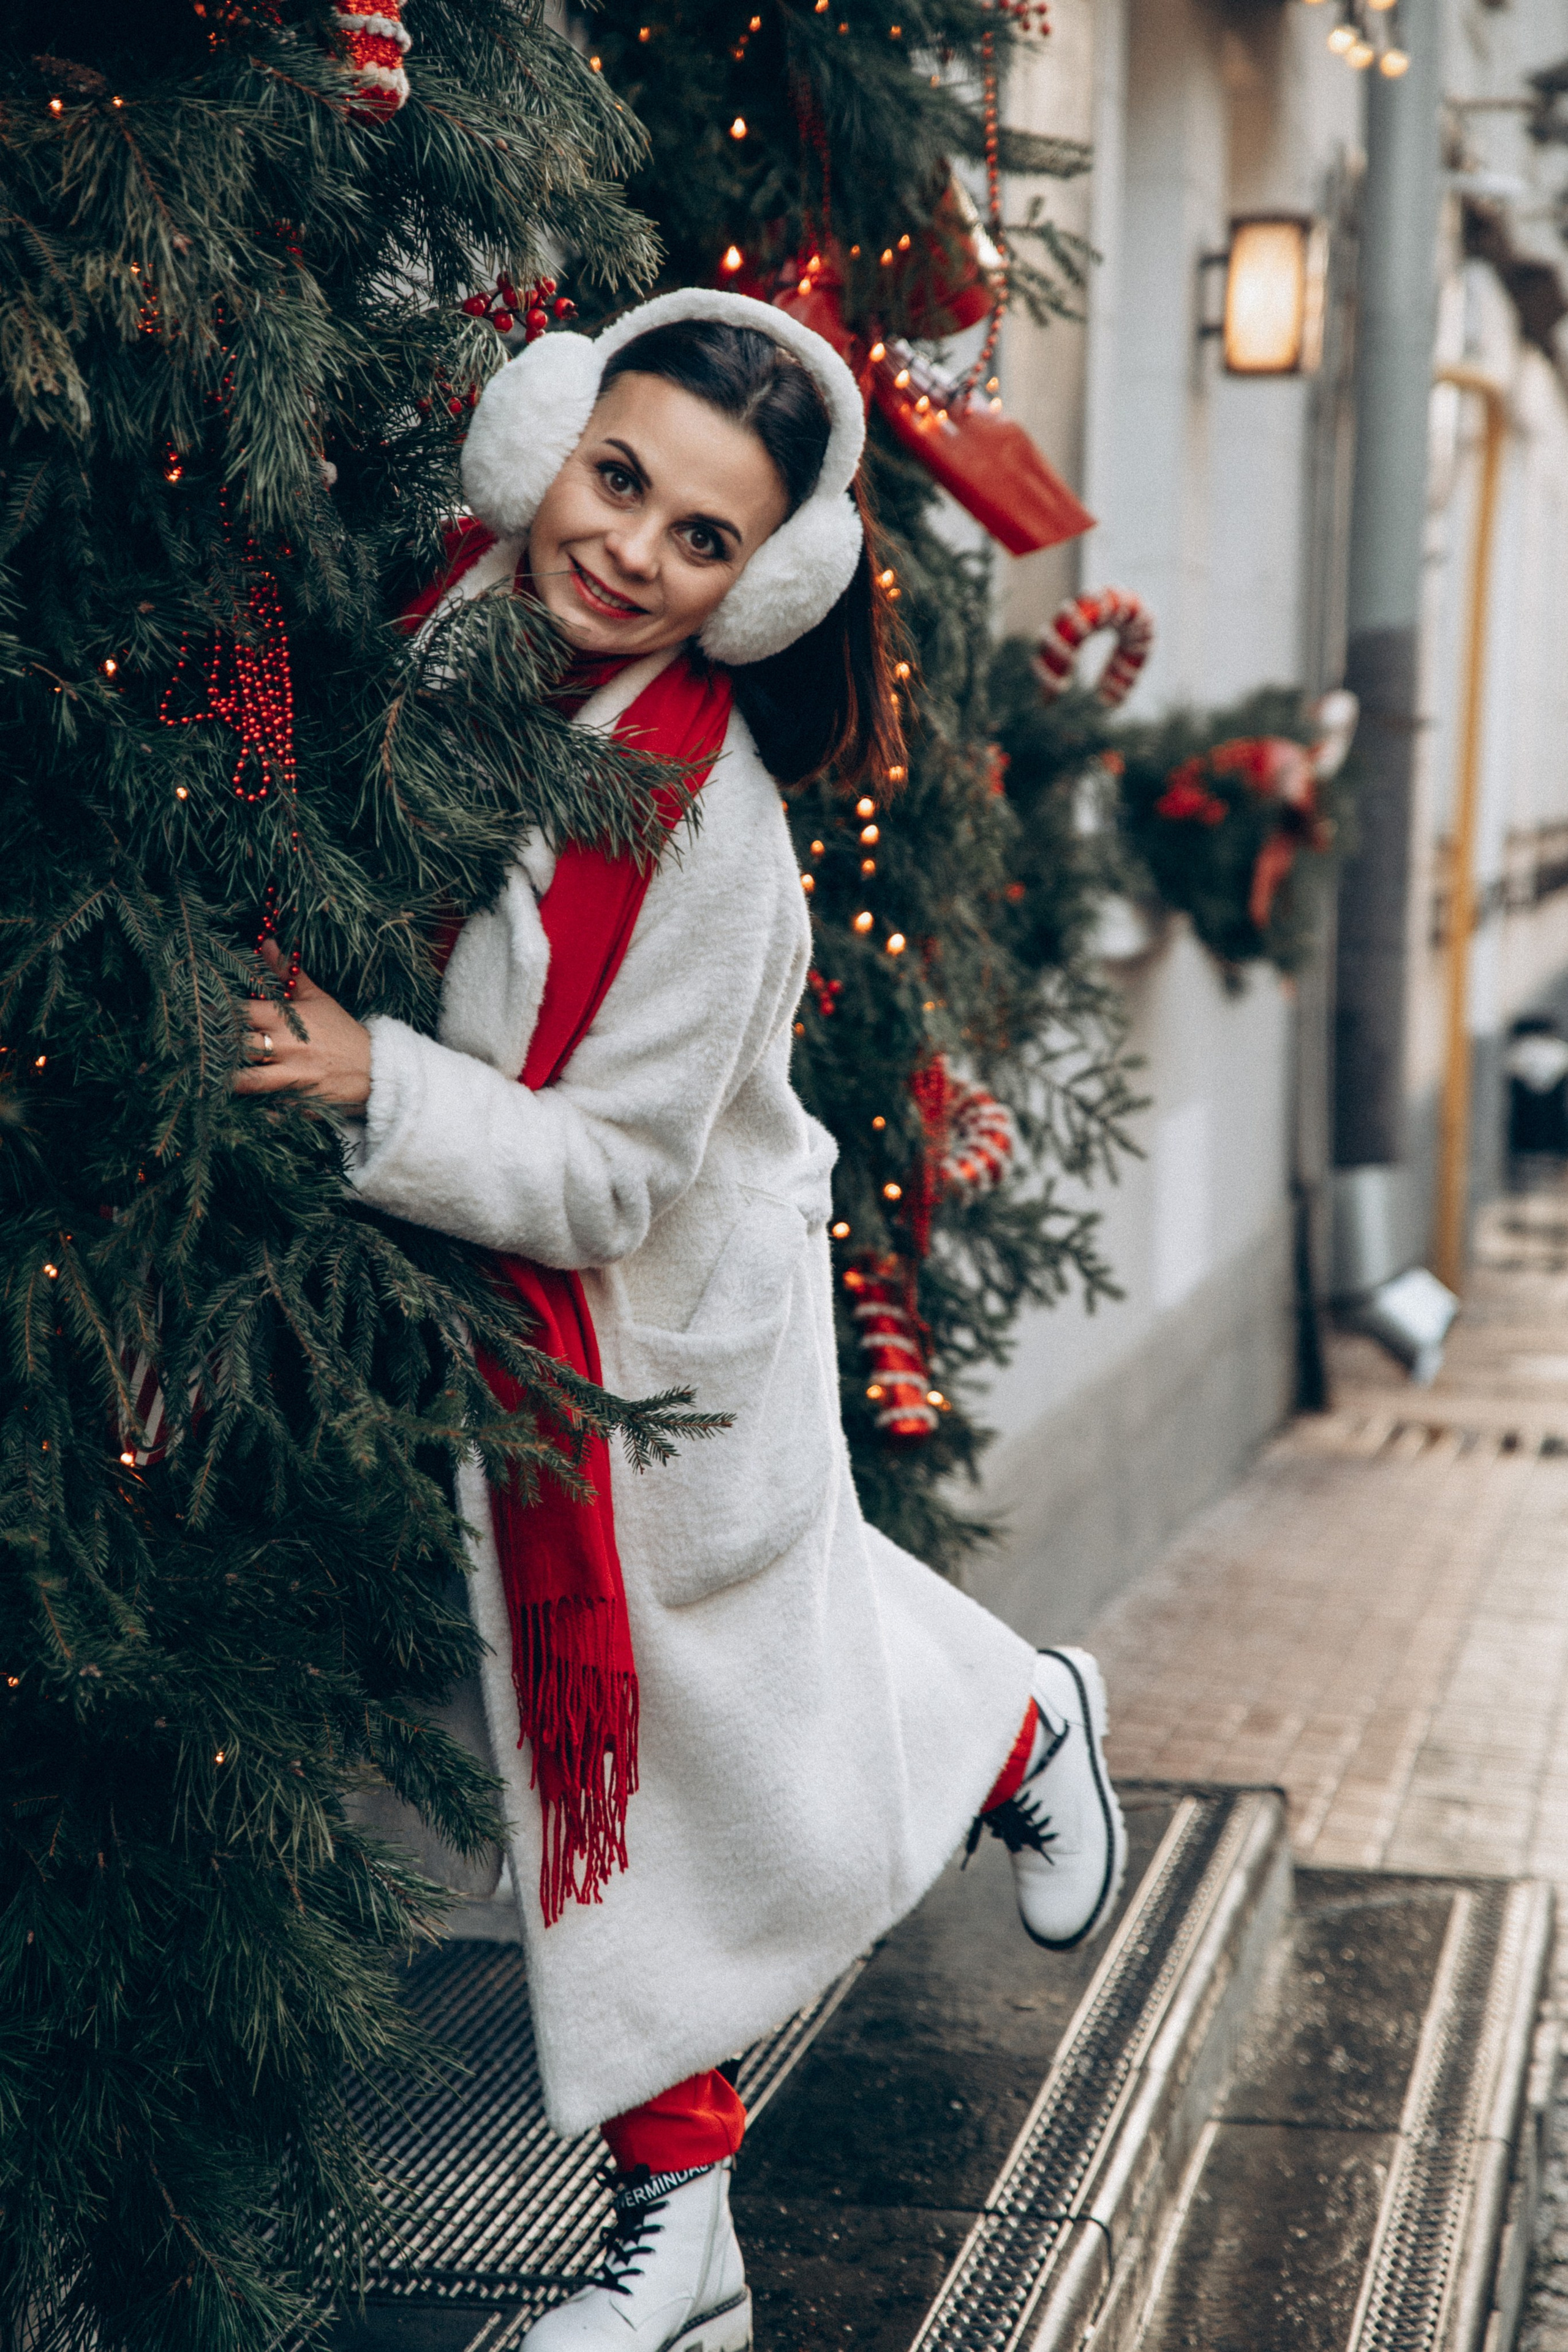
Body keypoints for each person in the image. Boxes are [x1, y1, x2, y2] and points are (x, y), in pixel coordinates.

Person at [234, 289, 1126, 2352]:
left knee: (634, 1796)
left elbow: (616, 1174)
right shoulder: (445, 616)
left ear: (757, 586)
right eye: (618, 475)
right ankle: (1018, 1720)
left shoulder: (710, 830)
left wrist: (377, 1078)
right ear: (549, 429)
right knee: (739, 1684)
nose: (629, 549)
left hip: (638, 1342)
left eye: (702, 538)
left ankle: (678, 2241)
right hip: (472, 1307)